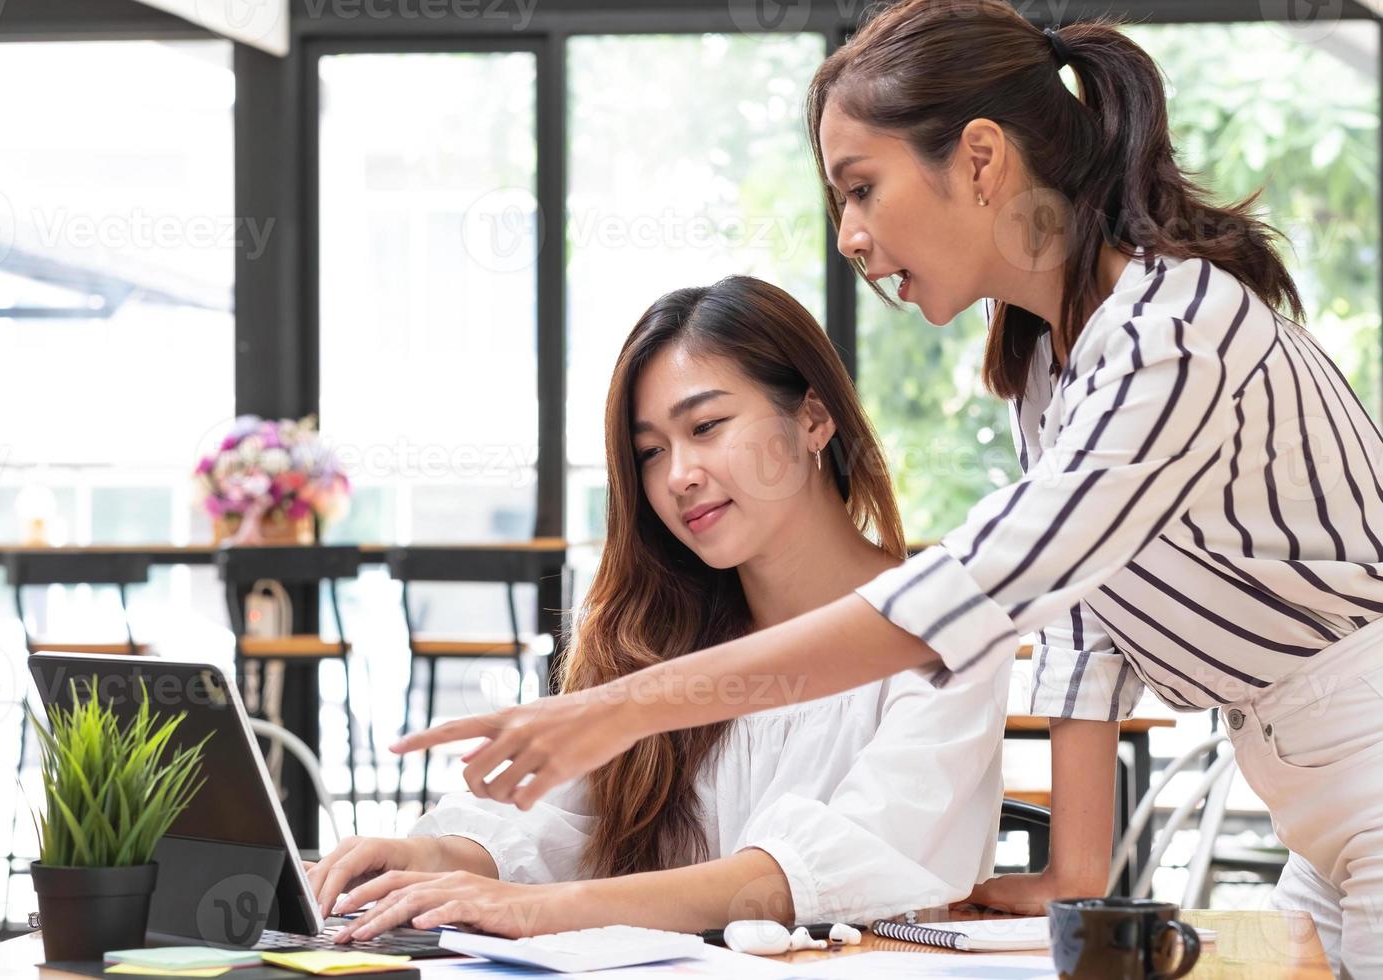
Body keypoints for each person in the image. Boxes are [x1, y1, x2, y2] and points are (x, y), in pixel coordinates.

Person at [397, 3, 1383, 975]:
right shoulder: (1052, 360)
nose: (850, 237)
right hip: (1317, 802)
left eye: (862, 188)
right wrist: (1072, 873)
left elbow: (984, 584)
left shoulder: (1169, 333)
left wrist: (620, 709)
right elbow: (1081, 614)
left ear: (982, 160)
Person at [307, 276, 1010, 940]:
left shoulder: (944, 629)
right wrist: (422, 857)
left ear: (814, 418)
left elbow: (829, 872)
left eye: (705, 426)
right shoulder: (655, 640)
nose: (678, 476)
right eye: (649, 452)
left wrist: (545, 910)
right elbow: (547, 827)